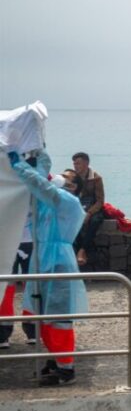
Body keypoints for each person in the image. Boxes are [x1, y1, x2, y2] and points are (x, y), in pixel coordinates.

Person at [7, 151, 87, 386]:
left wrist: (19, 164)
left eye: (68, 179)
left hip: (58, 263)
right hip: (42, 261)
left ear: (74, 188)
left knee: (59, 318)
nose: (62, 178)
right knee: (41, 315)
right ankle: (54, 359)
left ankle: (66, 368)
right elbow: (39, 183)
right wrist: (36, 159)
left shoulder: (68, 203)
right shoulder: (49, 204)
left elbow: (41, 184)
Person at [0, 210, 36, 349]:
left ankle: (32, 330)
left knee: (32, 287)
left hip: (30, 241)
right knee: (6, 287)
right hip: (7, 241)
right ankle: (3, 333)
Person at [71, 152, 105, 267]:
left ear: (86, 163)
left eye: (78, 163)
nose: (75, 166)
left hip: (93, 208)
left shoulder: (96, 178)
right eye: (74, 164)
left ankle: (82, 250)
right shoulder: (73, 178)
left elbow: (100, 201)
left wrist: (89, 213)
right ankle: (78, 251)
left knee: (95, 221)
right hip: (78, 207)